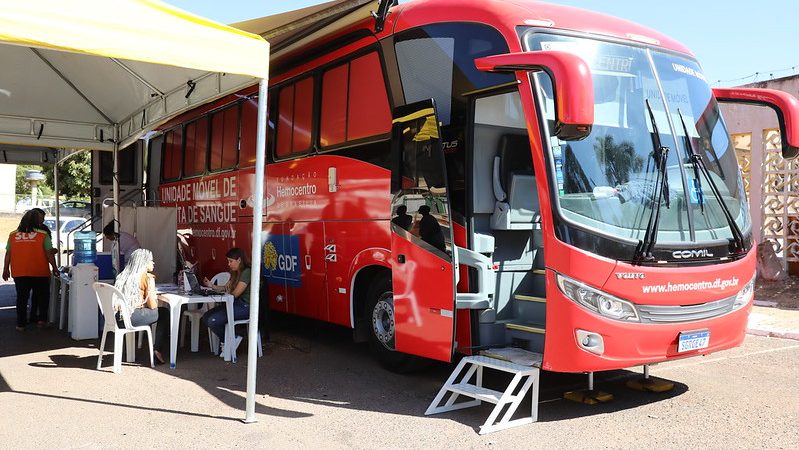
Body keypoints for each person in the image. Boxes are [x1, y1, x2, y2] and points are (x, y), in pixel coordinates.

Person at [3, 210, 59, 330]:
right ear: (36, 221)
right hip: (39, 271)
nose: (42, 221)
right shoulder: (43, 234)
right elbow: (49, 253)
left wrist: (5, 269)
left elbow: (8, 253)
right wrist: (55, 267)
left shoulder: (13, 235)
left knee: (22, 298)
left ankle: (21, 324)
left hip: (19, 272)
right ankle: (41, 321)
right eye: (40, 219)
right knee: (43, 297)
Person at [113, 248, 169, 364]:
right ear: (143, 262)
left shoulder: (122, 276)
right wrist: (152, 296)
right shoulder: (146, 277)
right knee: (163, 312)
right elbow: (152, 306)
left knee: (157, 312)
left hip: (117, 317)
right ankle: (157, 349)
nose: (153, 263)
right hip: (131, 317)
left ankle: (127, 352)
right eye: (151, 261)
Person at [201, 247, 252, 355]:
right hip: (235, 304)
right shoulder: (235, 272)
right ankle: (230, 340)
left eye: (230, 261)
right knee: (206, 317)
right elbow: (225, 288)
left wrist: (225, 293)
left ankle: (230, 340)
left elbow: (235, 294)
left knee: (213, 320)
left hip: (245, 307)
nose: (229, 264)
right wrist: (211, 286)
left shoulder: (247, 272)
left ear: (239, 260)